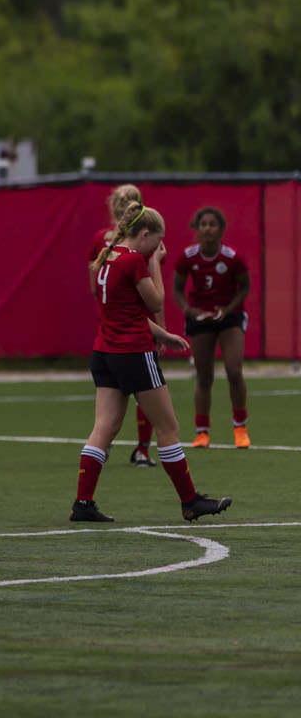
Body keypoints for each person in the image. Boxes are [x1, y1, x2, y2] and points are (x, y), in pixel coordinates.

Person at [72, 204, 231, 524]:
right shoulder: (133, 261)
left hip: (104, 353)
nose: (158, 248)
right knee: (169, 428)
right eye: (156, 241)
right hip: (133, 353)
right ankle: (190, 501)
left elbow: (125, 312)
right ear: (144, 234)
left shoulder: (109, 257)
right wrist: (155, 263)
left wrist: (164, 334)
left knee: (104, 427)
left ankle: (83, 503)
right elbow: (156, 301)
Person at [172, 206, 251, 450]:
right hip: (200, 319)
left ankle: (240, 427)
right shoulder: (188, 256)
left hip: (229, 318)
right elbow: (177, 289)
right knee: (204, 377)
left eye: (212, 224)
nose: (207, 228)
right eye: (203, 224)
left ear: (221, 229)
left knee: (234, 371)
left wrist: (228, 309)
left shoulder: (232, 257)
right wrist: (188, 309)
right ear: (197, 228)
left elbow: (244, 287)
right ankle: (202, 432)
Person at [90, 184, 157, 467]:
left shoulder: (102, 243)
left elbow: (95, 288)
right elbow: (156, 302)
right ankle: (143, 449)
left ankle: (85, 493)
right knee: (166, 422)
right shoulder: (137, 252)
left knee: (103, 426)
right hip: (133, 336)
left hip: (106, 335)